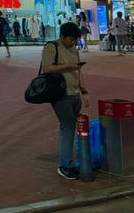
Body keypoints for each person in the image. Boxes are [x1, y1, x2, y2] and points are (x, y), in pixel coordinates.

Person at [41, 21, 89, 180]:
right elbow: (47, 68)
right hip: (60, 95)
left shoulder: (74, 49)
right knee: (67, 127)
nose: (73, 42)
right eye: (70, 39)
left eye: (75, 40)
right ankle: (64, 165)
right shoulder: (51, 47)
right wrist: (68, 66)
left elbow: (79, 70)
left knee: (70, 128)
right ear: (62, 36)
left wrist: (84, 91)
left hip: (75, 94)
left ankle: (68, 161)